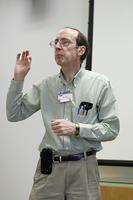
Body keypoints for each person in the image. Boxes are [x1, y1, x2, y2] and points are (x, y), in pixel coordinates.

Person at [6, 27, 120, 200]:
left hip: (84, 168)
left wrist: (77, 128)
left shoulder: (100, 84)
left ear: (81, 50)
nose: (58, 47)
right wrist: (18, 79)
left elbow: (111, 129)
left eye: (65, 42)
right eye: (56, 43)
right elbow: (14, 114)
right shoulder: (45, 85)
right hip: (50, 169)